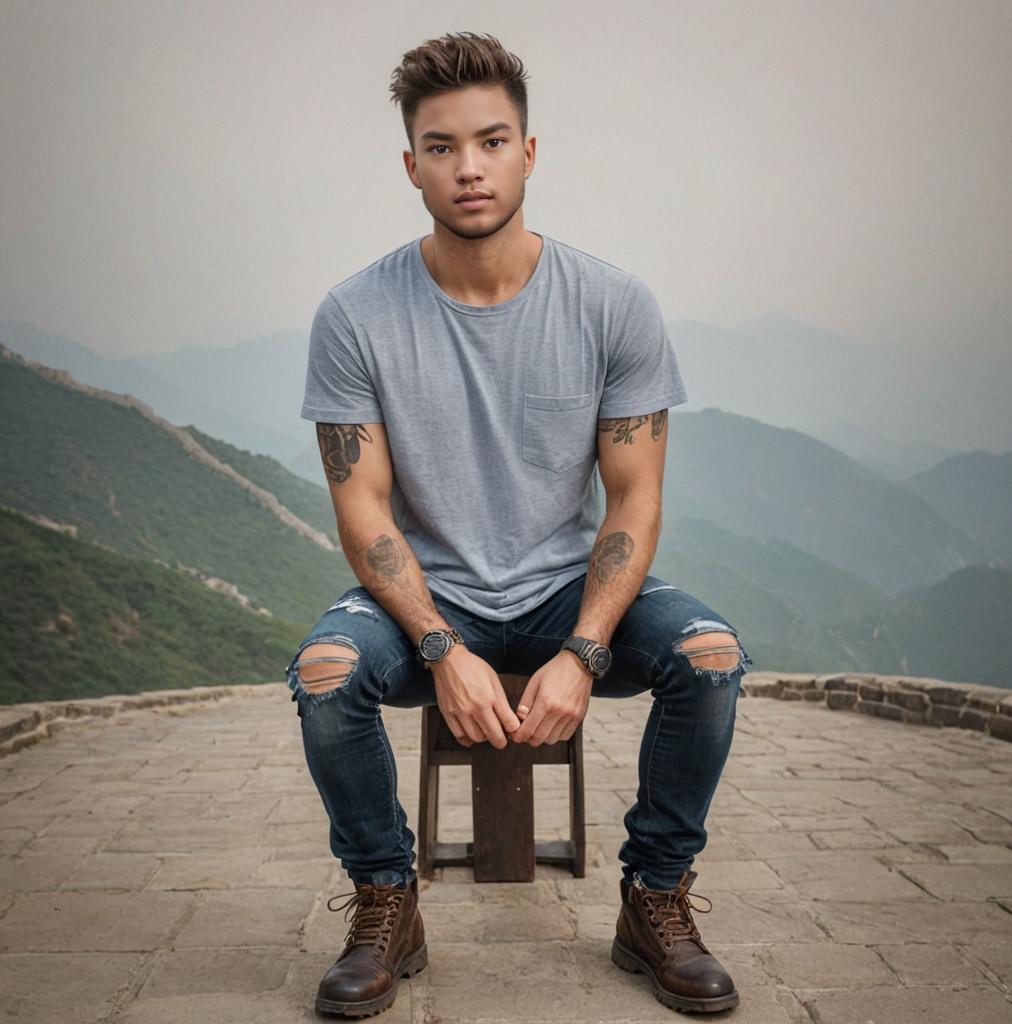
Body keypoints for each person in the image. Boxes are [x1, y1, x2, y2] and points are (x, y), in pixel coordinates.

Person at [286, 30, 752, 1018]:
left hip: (564, 588)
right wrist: (440, 643)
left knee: (708, 653)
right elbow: (362, 508)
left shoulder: (613, 304)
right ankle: (385, 897)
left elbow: (634, 499)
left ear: (528, 153)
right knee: (326, 676)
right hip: (430, 591)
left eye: (491, 141)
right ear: (411, 165)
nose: (469, 168)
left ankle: (654, 895)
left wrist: (584, 649)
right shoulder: (355, 316)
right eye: (443, 146)